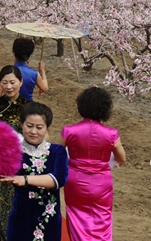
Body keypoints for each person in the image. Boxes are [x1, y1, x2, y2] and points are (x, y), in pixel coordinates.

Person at [0, 102, 69, 241]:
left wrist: (24, 179)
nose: (33, 131)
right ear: (22, 125)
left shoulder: (56, 151)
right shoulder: (11, 151)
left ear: (47, 128)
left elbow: (59, 179)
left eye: (39, 127)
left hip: (49, 222)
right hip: (20, 222)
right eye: (29, 126)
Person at [60, 87, 126, 241]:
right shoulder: (111, 134)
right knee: (102, 219)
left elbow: (57, 154)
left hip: (74, 180)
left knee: (76, 218)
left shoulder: (69, 131)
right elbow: (121, 158)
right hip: (101, 182)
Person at [0, 65, 29, 241]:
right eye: (5, 82)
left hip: (23, 165)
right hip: (0, 165)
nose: (9, 87)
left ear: (21, 82)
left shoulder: (28, 107)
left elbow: (39, 135)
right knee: (0, 211)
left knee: (22, 211)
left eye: (13, 82)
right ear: (0, 83)